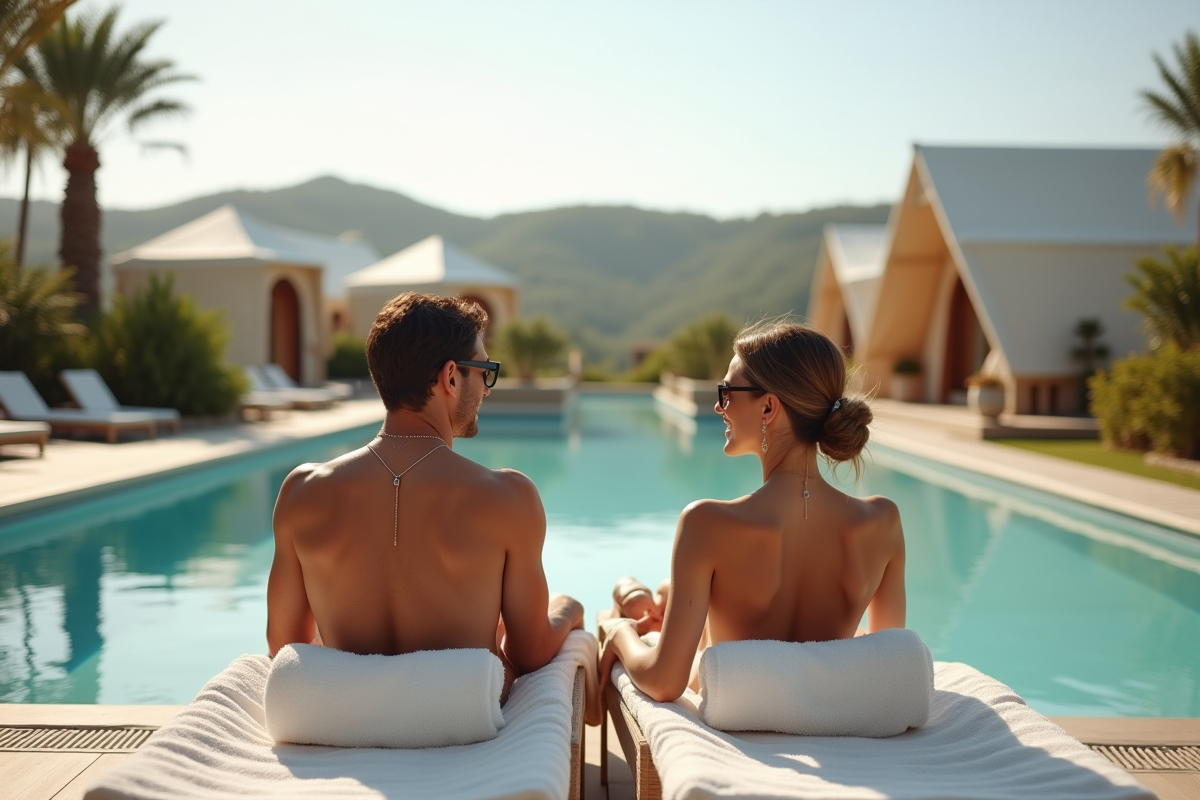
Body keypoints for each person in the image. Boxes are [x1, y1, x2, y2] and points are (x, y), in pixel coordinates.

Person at [267, 292, 588, 713]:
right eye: (484, 371)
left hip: (347, 719)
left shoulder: (302, 491)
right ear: (451, 377)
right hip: (461, 722)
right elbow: (530, 654)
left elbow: (284, 647)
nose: (486, 390)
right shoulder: (509, 497)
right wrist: (568, 611)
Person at [599, 320, 905, 702]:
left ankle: (632, 599)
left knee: (621, 610)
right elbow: (889, 656)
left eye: (726, 392)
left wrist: (619, 634)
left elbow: (664, 681)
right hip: (826, 705)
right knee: (666, 592)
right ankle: (651, 595)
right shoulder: (882, 522)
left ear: (768, 407)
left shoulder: (707, 523)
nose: (718, 405)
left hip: (738, 705)